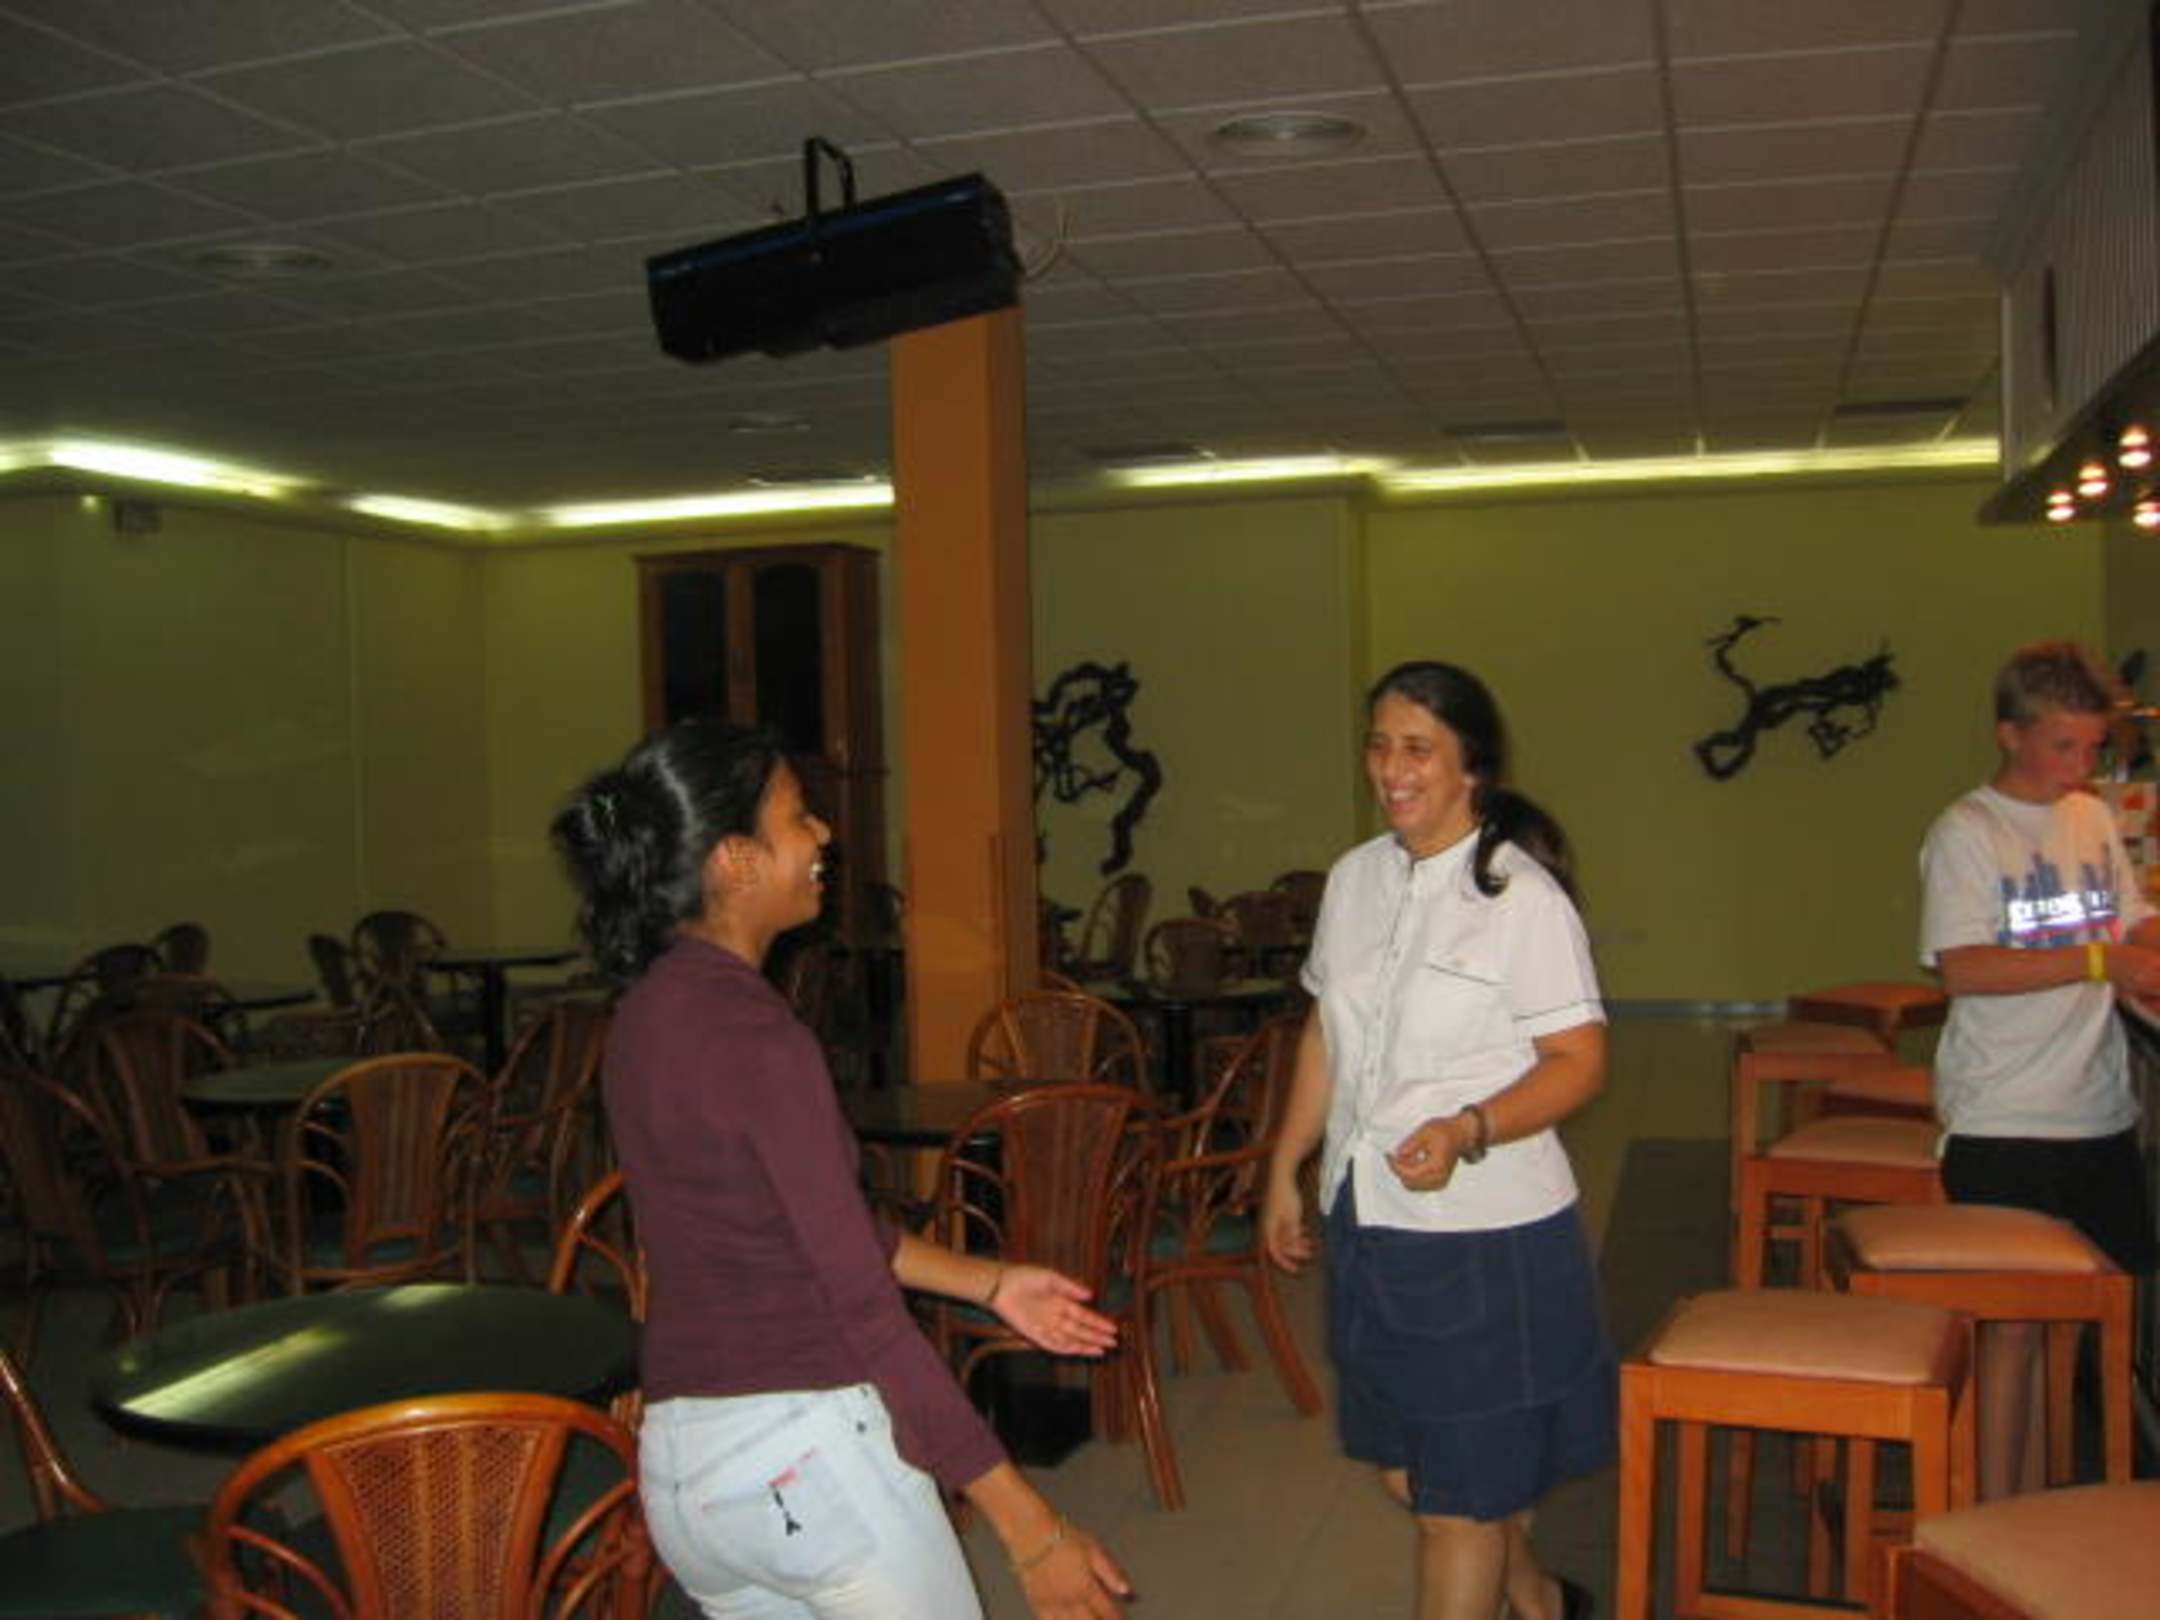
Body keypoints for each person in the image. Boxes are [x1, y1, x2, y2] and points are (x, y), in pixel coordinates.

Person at [553, 718, 1132, 1620]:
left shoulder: (642, 1018)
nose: (823, 834)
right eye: (797, 817)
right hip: (808, 1459)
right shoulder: (759, 1039)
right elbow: (863, 1308)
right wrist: (1030, 1527)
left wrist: (990, 1283)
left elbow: (809, 1233)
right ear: (735, 861)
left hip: (689, 1476)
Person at [1262, 661, 1609, 1620]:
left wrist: (1469, 1127)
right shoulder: (1355, 879)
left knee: (1457, 1508)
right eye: (1379, 745)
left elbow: (1579, 1061)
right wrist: (1286, 1165)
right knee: (1413, 1473)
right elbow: (1325, 1031)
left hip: (1485, 1242)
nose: (1391, 768)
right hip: (1370, 1222)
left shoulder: (1521, 899)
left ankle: (1528, 1595)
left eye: (1418, 748)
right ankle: (1542, 1600)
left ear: (1472, 767)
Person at [1919, 639, 2160, 1498]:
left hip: (2098, 1110)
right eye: (2063, 745)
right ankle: (1996, 1517)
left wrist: (2140, 945)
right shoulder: (1968, 831)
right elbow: (1963, 968)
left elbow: (2128, 919)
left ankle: (2048, 1505)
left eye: (2092, 747)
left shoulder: (2090, 816)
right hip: (2006, 1116)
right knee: (2012, 1332)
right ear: (2010, 734)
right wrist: (2100, 962)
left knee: (2081, 1322)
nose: (2080, 765)